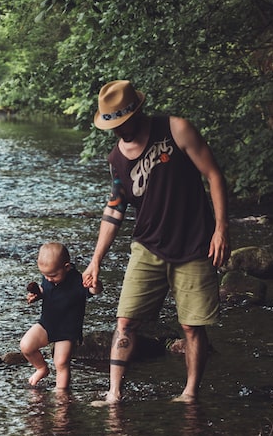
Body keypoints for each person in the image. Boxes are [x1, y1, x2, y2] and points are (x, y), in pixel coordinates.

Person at [81, 80, 231, 405]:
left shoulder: (176, 129)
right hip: (147, 246)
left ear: (138, 111)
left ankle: (190, 394)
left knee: (191, 327)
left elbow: (214, 175)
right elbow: (115, 209)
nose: (120, 131)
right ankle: (114, 394)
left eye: (124, 123)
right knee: (125, 321)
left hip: (194, 244)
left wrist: (221, 229)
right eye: (114, 126)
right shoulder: (116, 159)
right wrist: (95, 261)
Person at [20, 241, 102, 390]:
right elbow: (46, 289)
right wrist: (37, 294)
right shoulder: (49, 275)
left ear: (66, 267)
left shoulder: (78, 280)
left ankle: (61, 393)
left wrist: (95, 285)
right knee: (26, 345)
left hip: (67, 330)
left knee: (61, 362)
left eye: (52, 275)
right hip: (47, 324)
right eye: (44, 275)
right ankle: (42, 368)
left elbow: (93, 292)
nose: (48, 278)